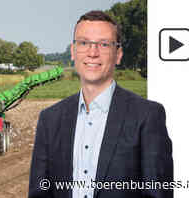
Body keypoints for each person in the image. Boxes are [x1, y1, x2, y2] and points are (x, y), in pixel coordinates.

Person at [28, 10, 173, 198]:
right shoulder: (50, 119)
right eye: (83, 43)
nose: (92, 52)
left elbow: (157, 194)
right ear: (73, 51)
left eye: (104, 44)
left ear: (118, 54)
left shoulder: (147, 116)